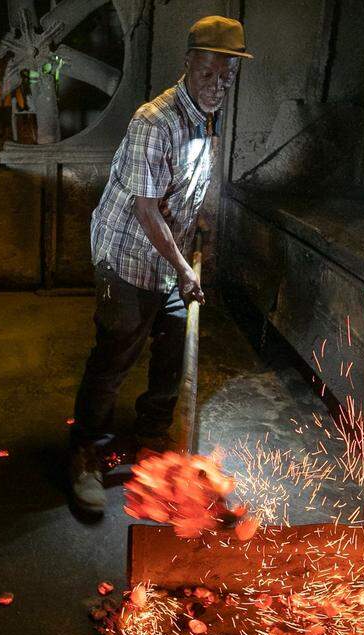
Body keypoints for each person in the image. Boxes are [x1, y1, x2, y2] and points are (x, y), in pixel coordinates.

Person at [69, 16, 252, 514]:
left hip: (170, 256)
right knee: (118, 347)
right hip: (125, 254)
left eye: (228, 75)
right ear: (189, 63)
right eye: (210, 73)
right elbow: (145, 210)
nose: (218, 85)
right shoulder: (154, 121)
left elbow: (190, 188)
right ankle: (87, 452)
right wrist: (185, 268)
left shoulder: (208, 118)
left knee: (172, 344)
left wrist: (202, 235)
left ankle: (152, 441)